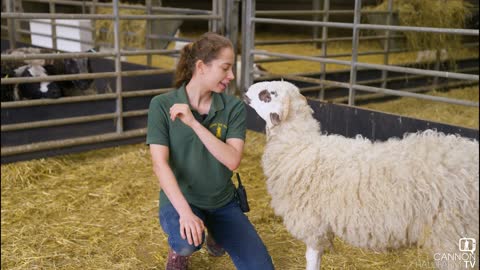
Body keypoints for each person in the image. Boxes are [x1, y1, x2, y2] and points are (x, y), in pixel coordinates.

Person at [146, 32, 275, 270]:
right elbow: (159, 165)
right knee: (186, 241)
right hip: (183, 201)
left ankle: (216, 231)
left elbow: (232, 160)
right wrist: (185, 213)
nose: (232, 75)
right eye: (225, 68)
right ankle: (179, 250)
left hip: (222, 201)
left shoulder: (233, 107)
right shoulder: (161, 105)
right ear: (201, 67)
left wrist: (194, 124)